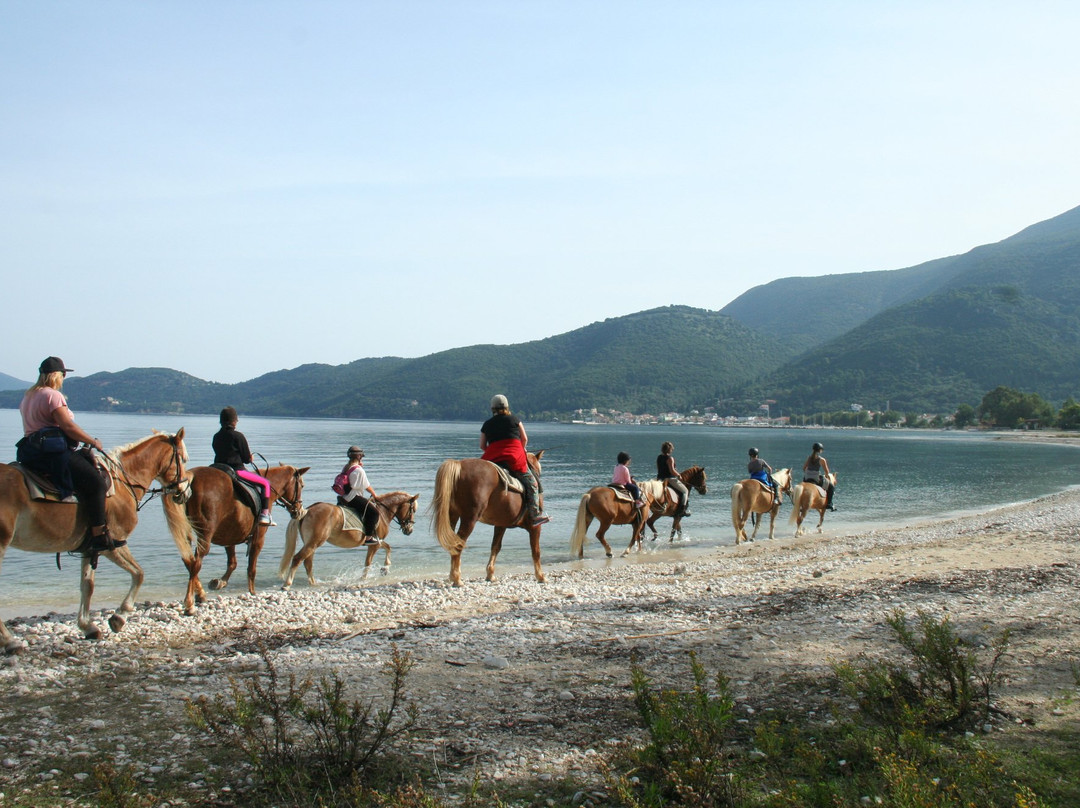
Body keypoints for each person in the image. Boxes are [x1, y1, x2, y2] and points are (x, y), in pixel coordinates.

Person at [16, 356, 121, 555]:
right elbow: (68, 426)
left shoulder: (28, 396)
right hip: (52, 454)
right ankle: (98, 535)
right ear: (56, 375)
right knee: (96, 484)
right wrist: (92, 441)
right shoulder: (53, 396)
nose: (64, 378)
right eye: (63, 374)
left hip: (30, 453)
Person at [480, 394, 549, 527]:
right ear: (507, 407)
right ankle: (534, 515)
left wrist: (495, 452)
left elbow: (482, 446)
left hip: (492, 459)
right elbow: (524, 439)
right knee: (532, 483)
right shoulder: (515, 419)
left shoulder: (487, 424)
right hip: (513, 458)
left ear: (492, 408)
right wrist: (521, 450)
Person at [212, 407, 274, 525]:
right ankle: (264, 515)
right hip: (236, 470)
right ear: (234, 421)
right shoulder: (238, 436)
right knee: (266, 483)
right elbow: (246, 459)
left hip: (217, 469)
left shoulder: (216, 436)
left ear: (221, 421)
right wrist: (250, 458)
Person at [336, 446, 381, 544]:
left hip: (344, 497)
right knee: (374, 513)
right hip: (353, 498)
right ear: (359, 456)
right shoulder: (359, 470)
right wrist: (375, 495)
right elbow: (367, 486)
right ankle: (368, 538)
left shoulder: (347, 467)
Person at [656, 441, 691, 517]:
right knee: (685, 491)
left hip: (660, 479)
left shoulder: (659, 457)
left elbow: (658, 468)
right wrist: (679, 475)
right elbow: (672, 470)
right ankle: (682, 510)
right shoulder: (670, 458)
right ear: (670, 450)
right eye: (672, 449)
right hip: (669, 479)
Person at [803, 442, 836, 511]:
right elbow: (826, 472)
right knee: (831, 487)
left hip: (806, 478)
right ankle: (829, 504)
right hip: (815, 479)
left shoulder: (809, 458)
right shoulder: (821, 459)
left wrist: (809, 473)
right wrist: (826, 477)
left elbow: (804, 468)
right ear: (820, 450)